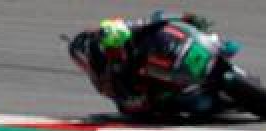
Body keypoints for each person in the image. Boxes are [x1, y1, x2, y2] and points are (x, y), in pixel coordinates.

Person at [67, 11, 216, 117]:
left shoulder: (130, 29)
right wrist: (141, 99)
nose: (119, 53)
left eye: (119, 48)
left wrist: (189, 19)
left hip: (173, 54)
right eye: (114, 51)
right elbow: (125, 101)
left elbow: (160, 16)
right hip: (155, 89)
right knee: (198, 105)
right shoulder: (108, 75)